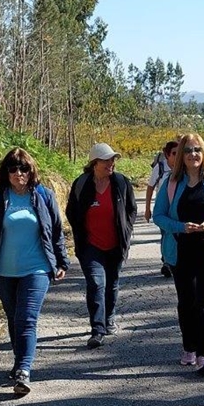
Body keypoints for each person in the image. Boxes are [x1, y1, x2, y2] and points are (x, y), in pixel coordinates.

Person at [0, 148, 68, 395]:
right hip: (2, 271)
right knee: (13, 317)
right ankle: (19, 360)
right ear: (6, 172)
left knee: (26, 319)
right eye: (13, 168)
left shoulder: (43, 195)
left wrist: (62, 262)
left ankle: (23, 370)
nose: (18, 173)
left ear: (31, 171)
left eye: (24, 168)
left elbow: (55, 231)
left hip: (37, 268)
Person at [153, 133, 204, 374]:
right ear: (181, 155)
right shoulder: (171, 183)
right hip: (181, 249)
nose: (193, 154)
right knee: (187, 301)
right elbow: (159, 216)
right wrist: (180, 227)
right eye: (188, 150)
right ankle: (189, 346)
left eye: (197, 150)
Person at [66, 143, 137, 349]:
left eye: (113, 159)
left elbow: (131, 209)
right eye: (106, 160)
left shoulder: (121, 182)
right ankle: (97, 329)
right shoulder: (81, 184)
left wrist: (126, 230)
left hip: (116, 244)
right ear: (94, 163)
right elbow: (71, 211)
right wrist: (81, 233)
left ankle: (109, 318)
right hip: (90, 245)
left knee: (112, 283)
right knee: (96, 283)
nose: (111, 163)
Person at [145, 140, 179, 277]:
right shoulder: (160, 168)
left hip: (178, 207)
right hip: (163, 208)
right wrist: (147, 209)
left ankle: (175, 260)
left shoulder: (183, 167)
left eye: (179, 153)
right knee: (166, 234)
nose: (177, 156)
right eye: (174, 153)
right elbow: (150, 187)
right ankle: (167, 262)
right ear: (167, 155)